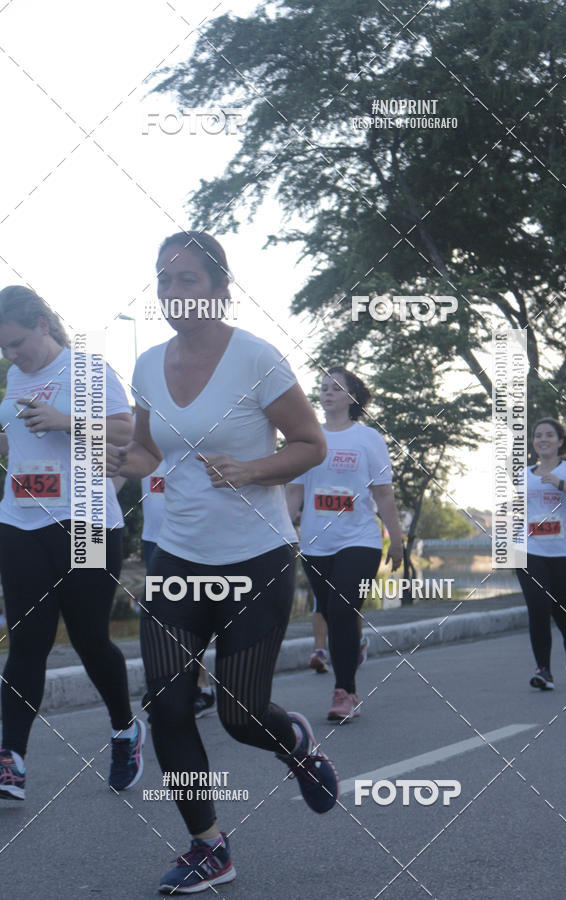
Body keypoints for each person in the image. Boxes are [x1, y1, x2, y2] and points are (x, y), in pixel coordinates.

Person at [107, 231, 339, 894]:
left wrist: (254, 469)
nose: (173, 292)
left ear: (218, 289)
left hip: (255, 560)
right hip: (177, 556)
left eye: (188, 279)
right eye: (164, 279)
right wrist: (117, 461)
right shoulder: (148, 364)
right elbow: (151, 454)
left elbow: (311, 442)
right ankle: (208, 845)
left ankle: (294, 743)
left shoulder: (256, 358)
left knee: (241, 717)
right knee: (168, 706)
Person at [0, 286, 144, 802]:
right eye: (4, 348)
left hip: (87, 523)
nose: (12, 355)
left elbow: (125, 431)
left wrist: (64, 421)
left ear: (42, 324)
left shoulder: (87, 370)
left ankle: (125, 730)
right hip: (21, 522)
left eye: (17, 343)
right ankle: (11, 760)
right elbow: (17, 443)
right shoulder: (16, 377)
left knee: (89, 640)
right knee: (28, 641)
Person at [286, 366, 404, 722]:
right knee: (335, 615)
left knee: (341, 611)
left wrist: (396, 539)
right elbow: (293, 493)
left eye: (336, 388)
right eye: (324, 387)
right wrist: (280, 535)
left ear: (352, 397)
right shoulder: (307, 439)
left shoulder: (368, 439)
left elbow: (383, 494)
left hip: (360, 539)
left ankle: (344, 692)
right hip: (315, 543)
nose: (328, 392)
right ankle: (350, 672)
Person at [517, 418, 566, 690]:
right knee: (538, 607)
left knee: (562, 609)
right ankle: (543, 671)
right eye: (538, 435)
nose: (543, 439)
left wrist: (562, 485)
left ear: (560, 441)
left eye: (549, 435)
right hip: (530, 551)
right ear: (533, 442)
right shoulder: (523, 474)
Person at [140, 462, 215, 718]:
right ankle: (168, 690)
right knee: (159, 620)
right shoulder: (142, 444)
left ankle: (201, 688)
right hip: (153, 540)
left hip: (190, 539)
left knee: (189, 617)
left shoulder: (189, 441)